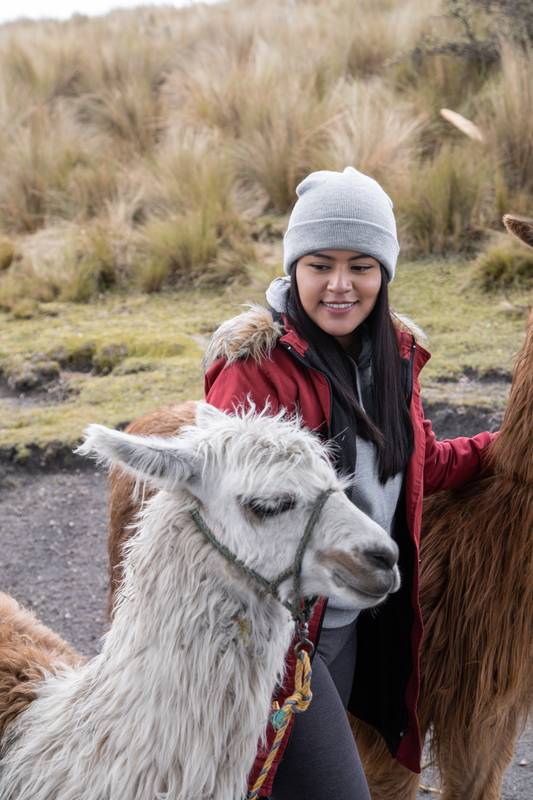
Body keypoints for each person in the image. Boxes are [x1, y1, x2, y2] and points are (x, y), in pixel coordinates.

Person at [204, 167, 495, 800]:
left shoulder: (391, 358)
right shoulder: (255, 370)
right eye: (320, 264)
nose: (340, 285)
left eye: (361, 265)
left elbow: (414, 467)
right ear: (294, 269)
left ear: (384, 273)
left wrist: (508, 447)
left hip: (351, 623)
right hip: (272, 638)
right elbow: (221, 519)